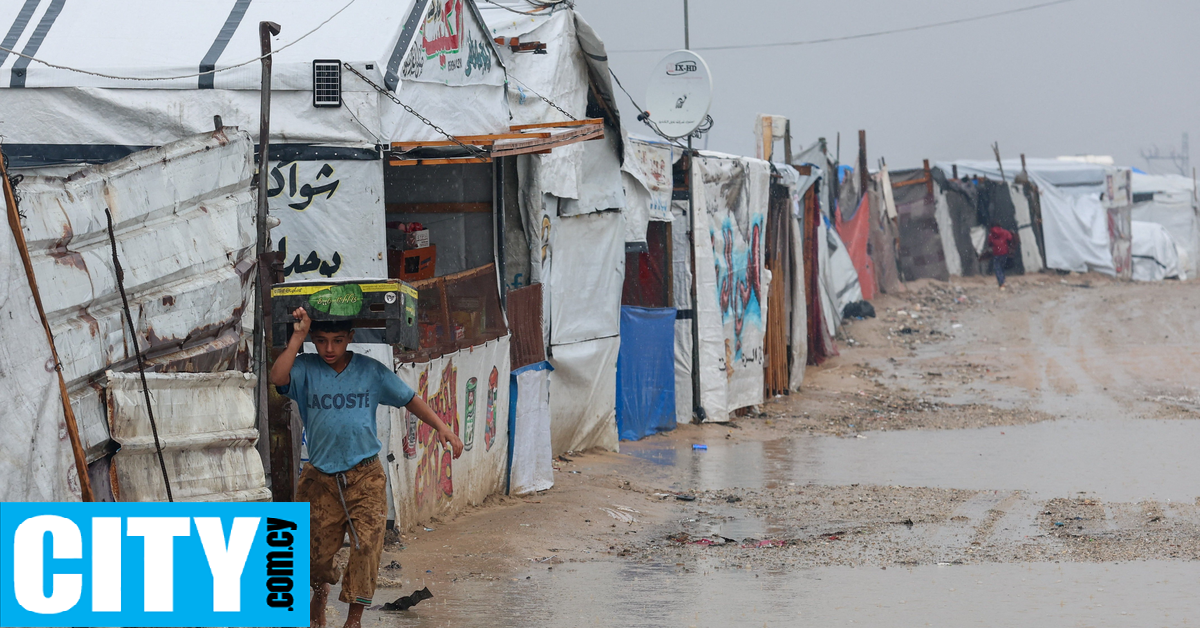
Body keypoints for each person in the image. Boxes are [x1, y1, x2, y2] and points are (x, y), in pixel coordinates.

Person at [269, 308, 463, 628]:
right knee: (313, 556)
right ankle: (320, 594)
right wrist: (298, 337)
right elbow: (277, 378)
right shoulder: (304, 368)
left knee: (367, 547)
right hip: (320, 479)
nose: (329, 348)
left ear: (350, 338)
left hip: (365, 476)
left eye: (337, 340)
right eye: (321, 341)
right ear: (313, 340)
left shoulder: (371, 371)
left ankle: (353, 621)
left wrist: (442, 427)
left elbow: (409, 398)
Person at [987, 223, 1015, 289]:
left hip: (996, 252)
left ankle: (1001, 282)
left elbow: (990, 243)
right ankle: (1003, 280)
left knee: (997, 268)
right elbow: (1010, 238)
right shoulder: (1005, 232)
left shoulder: (991, 234)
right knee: (1002, 267)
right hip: (1004, 252)